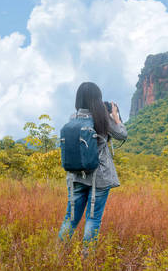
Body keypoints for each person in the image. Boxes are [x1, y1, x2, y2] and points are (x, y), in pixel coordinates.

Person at [58, 82, 127, 248]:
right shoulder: (102, 119)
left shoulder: (72, 118)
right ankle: (87, 258)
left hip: (76, 176)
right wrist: (115, 116)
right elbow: (122, 134)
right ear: (97, 99)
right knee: (93, 218)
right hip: (99, 177)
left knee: (71, 217)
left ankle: (58, 253)